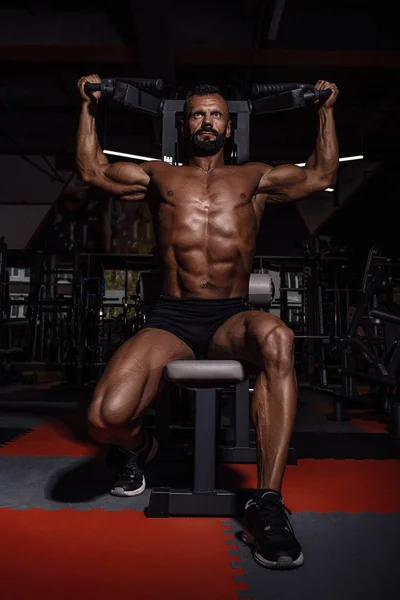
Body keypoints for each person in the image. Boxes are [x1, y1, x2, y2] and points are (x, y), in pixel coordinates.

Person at [76, 75, 339, 569]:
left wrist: (325, 109)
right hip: (171, 318)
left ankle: (267, 503)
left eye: (216, 114)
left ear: (228, 126)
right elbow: (93, 170)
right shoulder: (158, 177)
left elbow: (321, 173)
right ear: (184, 123)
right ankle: (141, 445)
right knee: (103, 419)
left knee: (278, 338)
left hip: (229, 316)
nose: (207, 122)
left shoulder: (255, 178)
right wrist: (89, 106)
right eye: (198, 114)